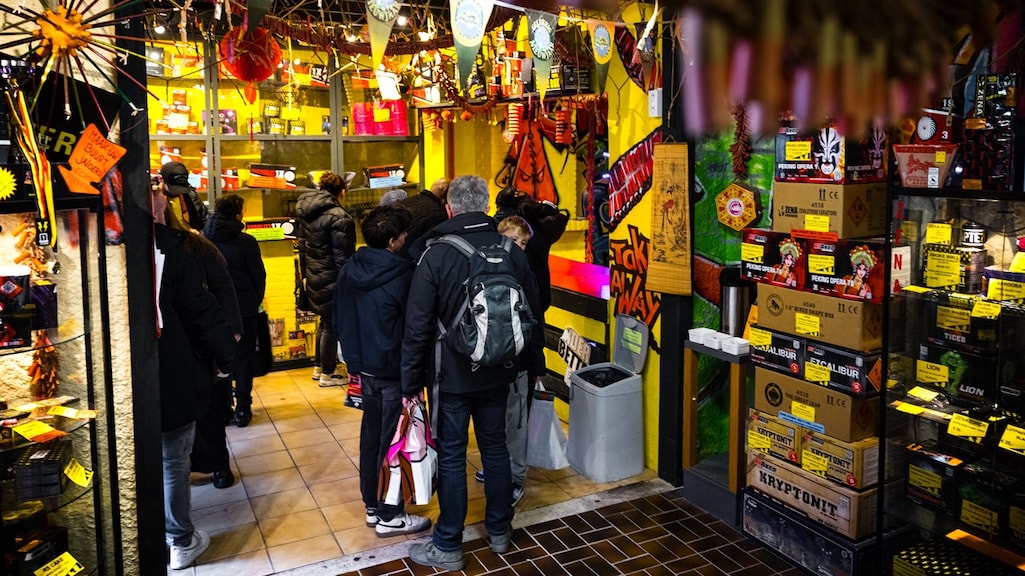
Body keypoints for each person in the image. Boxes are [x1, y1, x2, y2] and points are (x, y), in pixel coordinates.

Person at [402, 175, 540, 571]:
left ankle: (448, 544)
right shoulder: (511, 250)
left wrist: (410, 383)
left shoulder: (436, 254)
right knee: (495, 448)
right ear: (485, 206)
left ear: (449, 209)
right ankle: (499, 531)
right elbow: (531, 312)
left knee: (452, 455)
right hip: (500, 369)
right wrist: (530, 365)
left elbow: (417, 325)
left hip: (450, 376)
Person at [150, 174, 237, 570]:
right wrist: (227, 356)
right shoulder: (182, 251)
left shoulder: (106, 253)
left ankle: (156, 536)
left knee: (154, 461)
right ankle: (179, 539)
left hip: (136, 381)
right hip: (175, 372)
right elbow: (205, 312)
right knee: (173, 460)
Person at [334, 205, 431, 538]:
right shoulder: (403, 275)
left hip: (364, 370)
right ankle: (390, 513)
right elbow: (413, 330)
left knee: (372, 436)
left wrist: (354, 361)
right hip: (393, 371)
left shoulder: (350, 268)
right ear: (392, 241)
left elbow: (338, 317)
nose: (405, 238)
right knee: (395, 442)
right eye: (403, 234)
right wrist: (415, 377)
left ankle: (373, 504)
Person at [478, 214, 546, 507]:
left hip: (518, 360)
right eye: (515, 240)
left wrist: (537, 363)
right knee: (497, 419)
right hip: (495, 359)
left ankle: (515, 477)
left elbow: (535, 319)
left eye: (523, 243)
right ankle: (499, 467)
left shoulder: (522, 270)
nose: (519, 247)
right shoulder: (492, 266)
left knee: (516, 421)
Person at [204, 194, 267, 427]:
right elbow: (258, 276)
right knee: (244, 359)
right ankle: (242, 408)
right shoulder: (246, 242)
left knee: (219, 357)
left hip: (215, 310)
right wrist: (254, 301)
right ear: (238, 214)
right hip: (244, 309)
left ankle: (223, 408)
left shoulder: (203, 239)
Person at [296, 171, 356, 386]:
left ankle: (319, 366)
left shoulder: (307, 213)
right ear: (342, 192)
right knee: (331, 324)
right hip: (332, 278)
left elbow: (302, 247)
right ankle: (328, 374)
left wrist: (304, 275)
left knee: (324, 321)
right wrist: (350, 282)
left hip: (314, 275)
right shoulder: (339, 217)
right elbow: (343, 257)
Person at [393, 177, 449, 261]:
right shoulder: (438, 213)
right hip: (409, 259)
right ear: (445, 191)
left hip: (390, 252)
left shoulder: (407, 201)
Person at [160, 161, 209, 231]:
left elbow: (204, 219)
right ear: (161, 180)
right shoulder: (155, 201)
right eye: (174, 188)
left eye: (181, 188)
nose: (178, 192)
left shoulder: (190, 196)